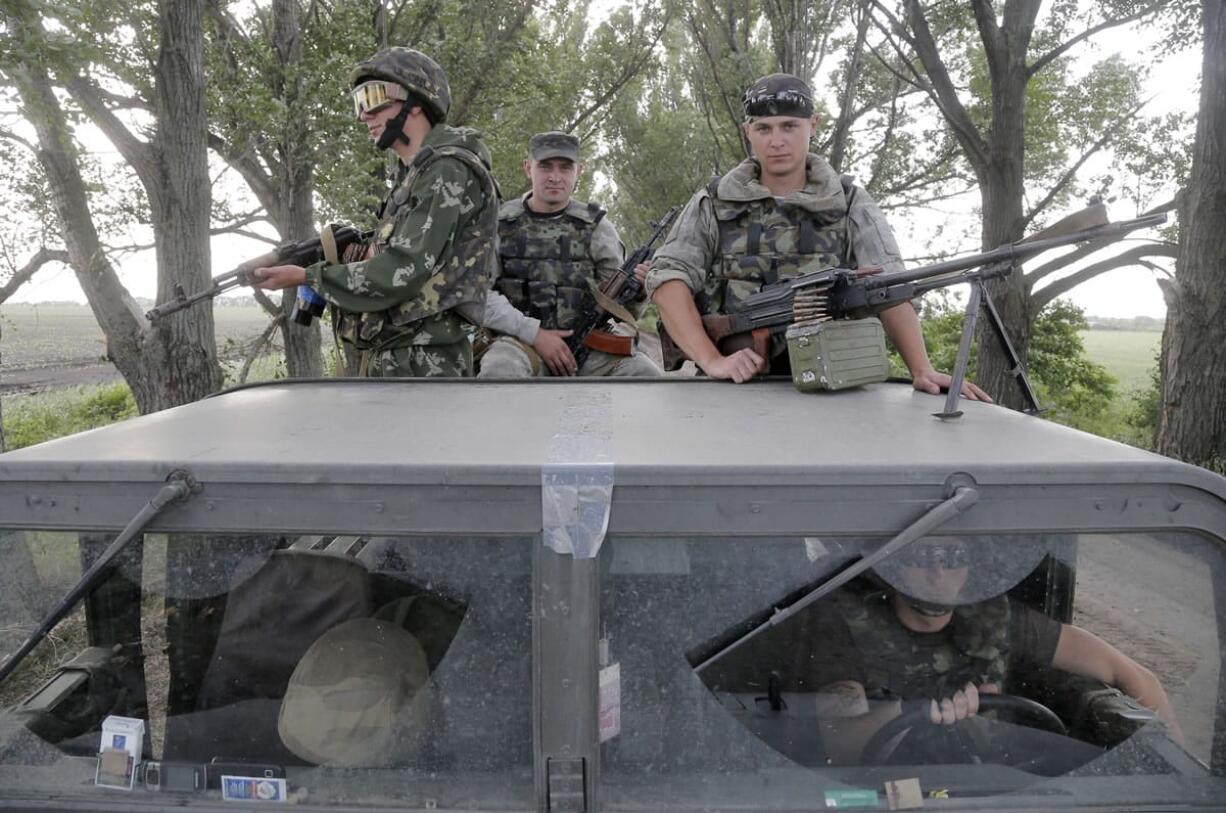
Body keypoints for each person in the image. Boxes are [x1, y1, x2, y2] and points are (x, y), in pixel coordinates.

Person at [646, 73, 989, 399]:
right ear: (747, 132)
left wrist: (922, 369)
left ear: (813, 125)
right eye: (763, 128)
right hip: (735, 391)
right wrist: (712, 361)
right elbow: (667, 280)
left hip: (835, 388)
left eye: (789, 126)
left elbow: (889, 284)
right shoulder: (715, 200)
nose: (777, 140)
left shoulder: (849, 200)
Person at [806, 537, 1183, 767]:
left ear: (969, 566)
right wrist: (915, 712)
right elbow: (840, 743)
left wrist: (1182, 775)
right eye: (920, 558)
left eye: (952, 558)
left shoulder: (994, 617)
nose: (938, 574)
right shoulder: (849, 626)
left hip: (994, 786)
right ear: (892, 564)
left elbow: (1134, 677)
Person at [252, 48, 498, 377]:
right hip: (401, 356)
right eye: (359, 103)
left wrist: (308, 277)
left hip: (425, 364)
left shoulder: (447, 170)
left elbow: (403, 270)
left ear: (416, 101)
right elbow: (400, 255)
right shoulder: (415, 175)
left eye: (373, 98)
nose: (363, 115)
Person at [478, 131, 661, 378]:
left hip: (590, 346)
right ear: (527, 168)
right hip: (521, 343)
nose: (555, 177)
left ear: (579, 171)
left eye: (565, 168)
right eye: (545, 166)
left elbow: (618, 305)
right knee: (499, 369)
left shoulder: (597, 227)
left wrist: (639, 290)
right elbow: (479, 295)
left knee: (645, 374)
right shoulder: (499, 222)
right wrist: (534, 333)